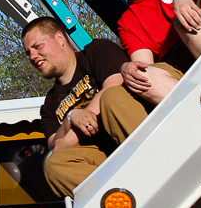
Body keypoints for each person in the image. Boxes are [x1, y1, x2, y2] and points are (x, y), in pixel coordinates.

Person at [21, 17, 128, 198]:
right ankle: (117, 197)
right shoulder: (49, 105)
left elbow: (115, 84)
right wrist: (71, 118)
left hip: (130, 135)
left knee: (113, 98)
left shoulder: (97, 52)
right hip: (97, 161)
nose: (32, 57)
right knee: (53, 165)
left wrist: (76, 128)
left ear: (60, 39)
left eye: (38, 46)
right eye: (28, 53)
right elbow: (55, 146)